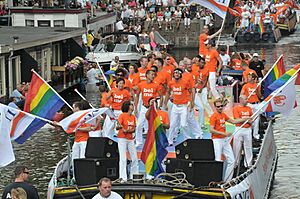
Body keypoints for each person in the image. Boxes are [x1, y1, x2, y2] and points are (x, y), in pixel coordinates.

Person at [210, 98, 250, 182]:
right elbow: (211, 130)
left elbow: (234, 121)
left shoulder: (223, 115)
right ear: (215, 107)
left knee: (232, 160)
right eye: (218, 106)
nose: (220, 108)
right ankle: (216, 180)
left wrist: (245, 119)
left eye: (221, 106)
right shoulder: (213, 116)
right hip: (217, 140)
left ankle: (227, 180)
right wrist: (224, 134)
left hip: (224, 140)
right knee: (218, 160)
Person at [164, 68, 194, 146]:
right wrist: (165, 103)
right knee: (172, 124)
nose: (176, 74)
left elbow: (191, 92)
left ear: (180, 74)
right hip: (175, 106)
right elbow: (168, 92)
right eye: (175, 73)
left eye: (178, 73)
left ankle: (187, 138)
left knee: (183, 124)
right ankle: (169, 140)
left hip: (184, 106)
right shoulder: (171, 83)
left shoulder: (185, 83)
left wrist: (191, 103)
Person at [116, 100, 139, 181]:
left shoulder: (133, 117)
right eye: (131, 105)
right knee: (123, 158)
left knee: (134, 158)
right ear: (128, 107)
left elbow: (134, 128)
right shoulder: (122, 116)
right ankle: (123, 177)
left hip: (130, 138)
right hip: (122, 138)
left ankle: (134, 176)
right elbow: (117, 127)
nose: (133, 106)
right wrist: (119, 127)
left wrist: (128, 131)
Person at [233, 95, 254, 168]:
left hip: (247, 129)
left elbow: (252, 120)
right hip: (239, 129)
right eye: (245, 99)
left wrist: (247, 120)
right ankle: (236, 163)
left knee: (248, 147)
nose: (247, 100)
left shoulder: (249, 108)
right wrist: (246, 119)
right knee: (237, 147)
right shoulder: (236, 109)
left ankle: (248, 163)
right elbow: (237, 120)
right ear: (241, 100)